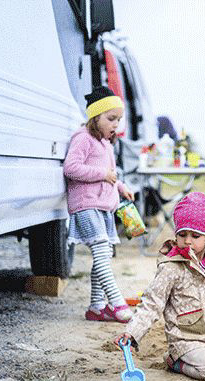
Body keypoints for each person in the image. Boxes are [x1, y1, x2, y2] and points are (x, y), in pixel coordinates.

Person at [114, 192, 205, 381]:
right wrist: (132, 332)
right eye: (182, 234)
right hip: (186, 340)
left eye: (195, 235)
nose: (187, 241)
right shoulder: (171, 267)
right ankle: (174, 361)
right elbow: (152, 302)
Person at [63, 86, 135, 323]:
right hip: (86, 205)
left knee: (102, 256)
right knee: (102, 253)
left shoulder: (105, 143)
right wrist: (103, 174)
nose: (116, 124)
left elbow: (110, 173)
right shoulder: (83, 138)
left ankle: (96, 307)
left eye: (118, 120)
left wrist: (121, 186)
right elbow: (71, 168)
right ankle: (116, 303)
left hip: (103, 206)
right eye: (111, 118)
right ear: (95, 117)